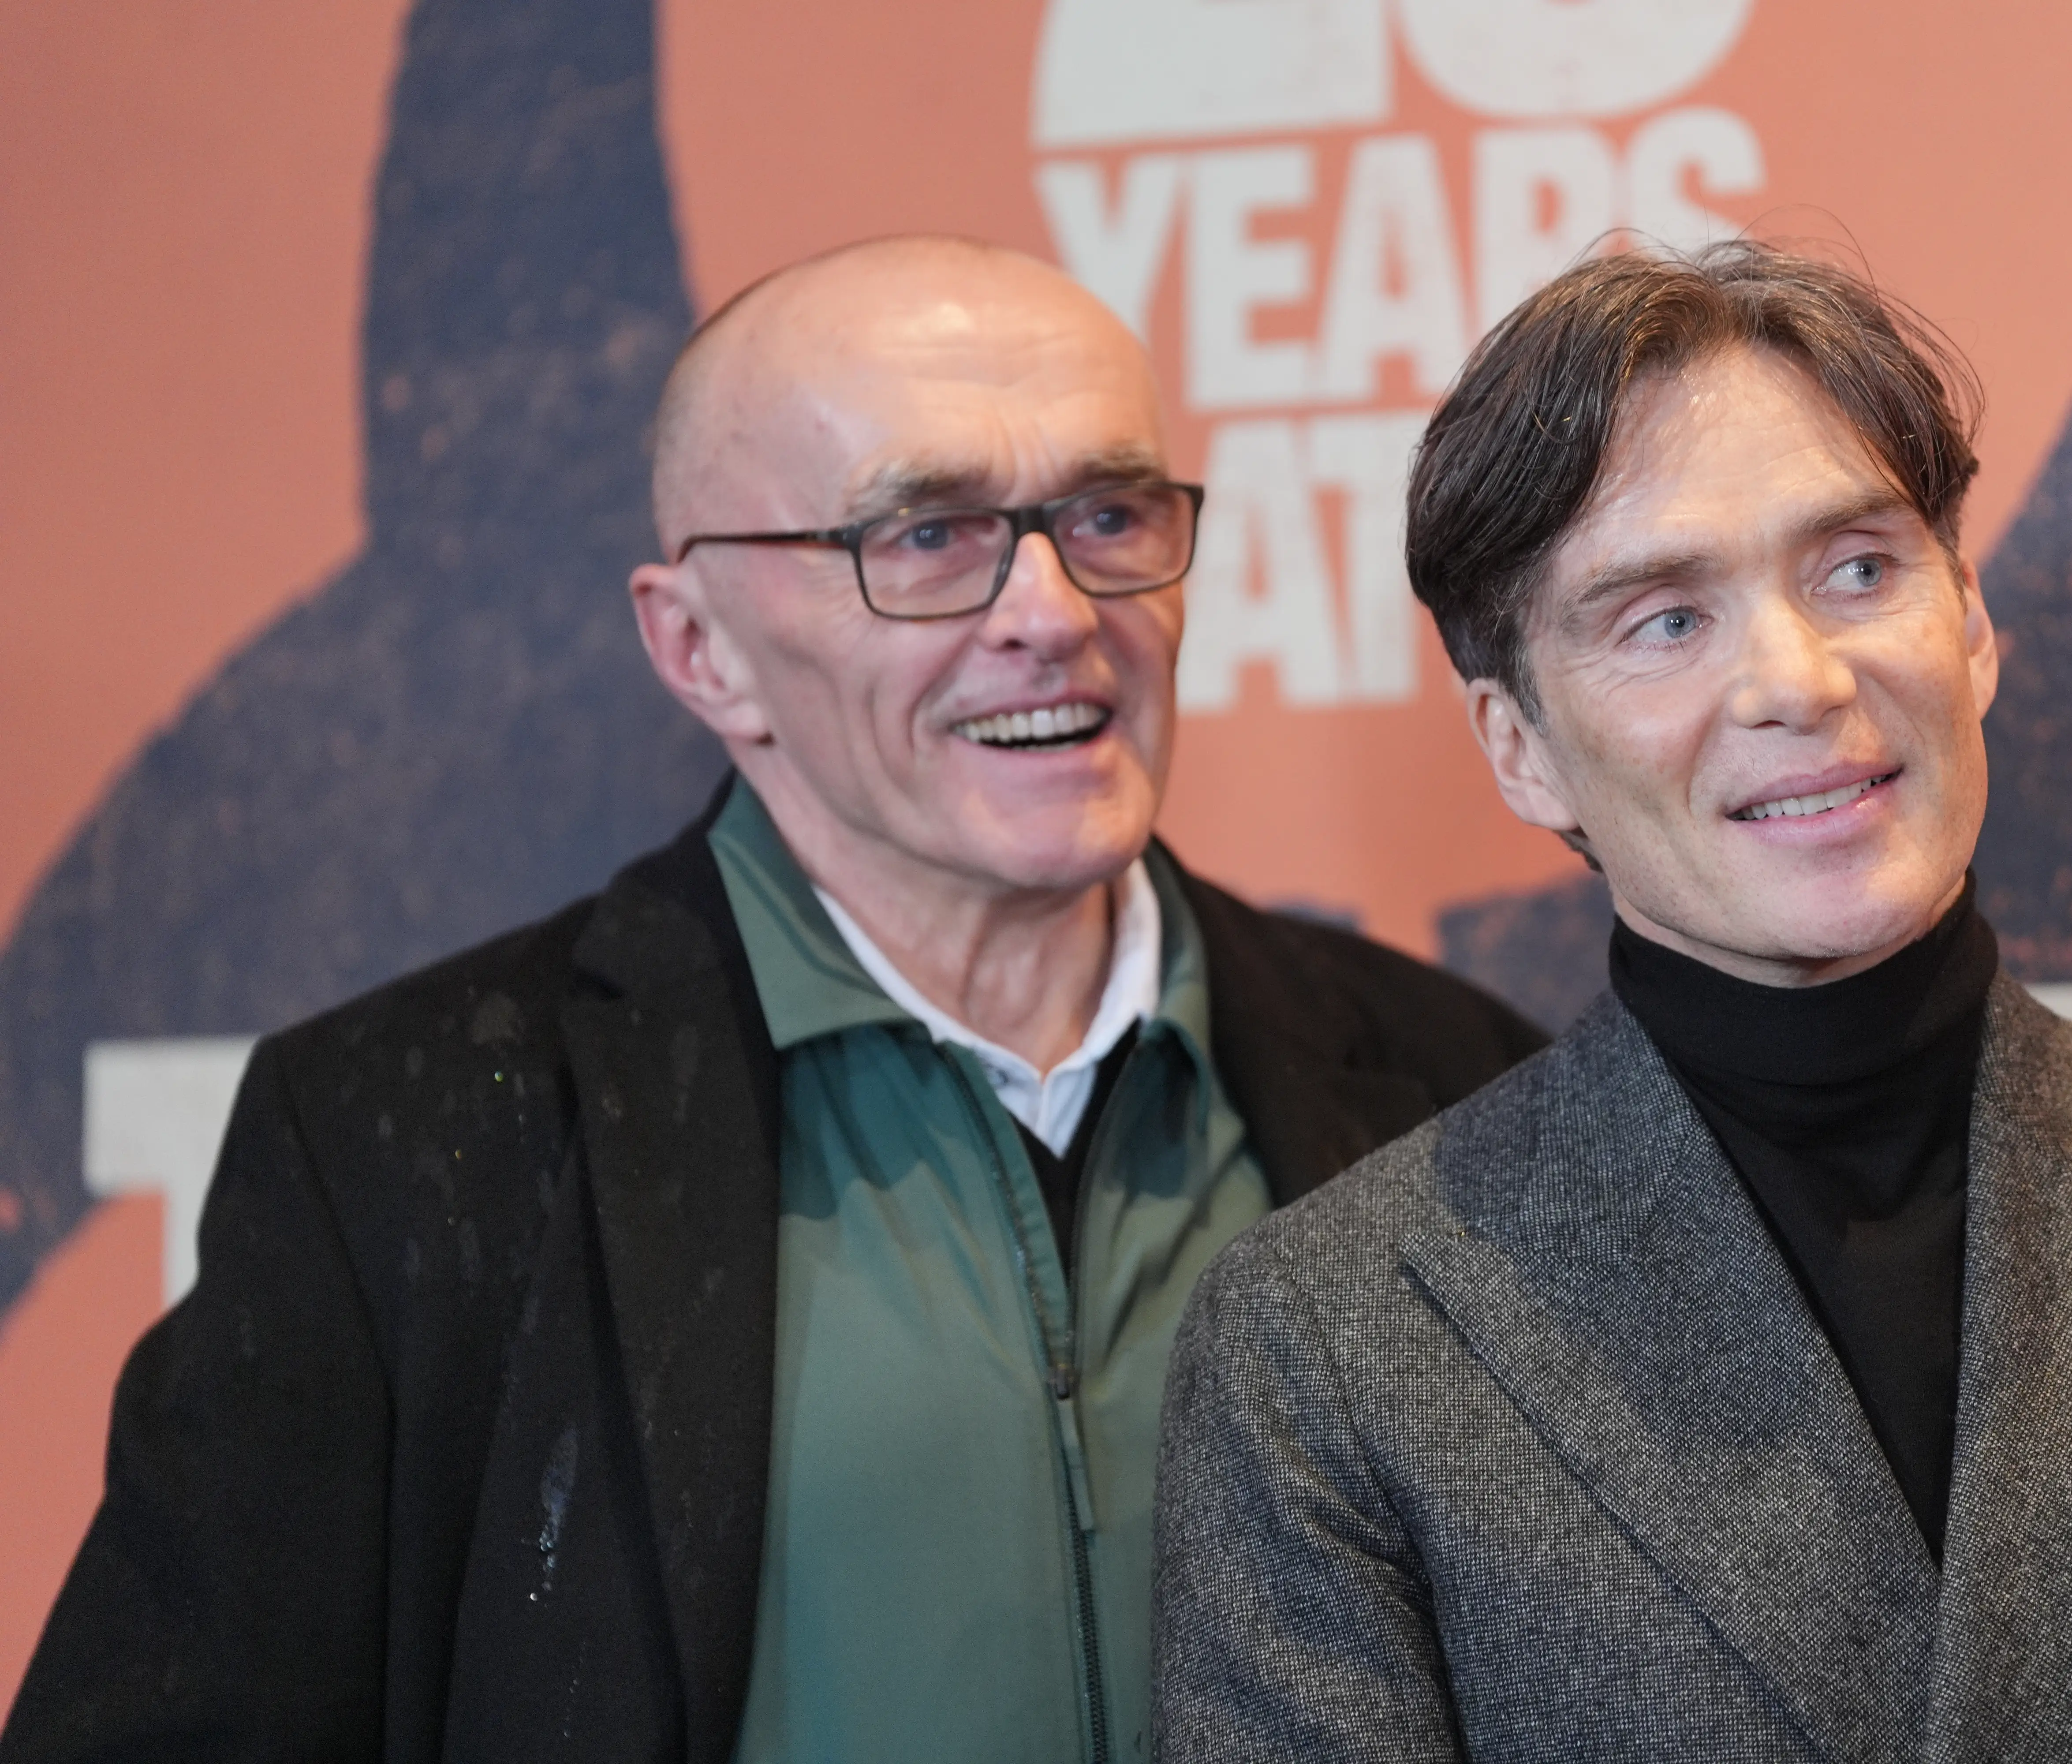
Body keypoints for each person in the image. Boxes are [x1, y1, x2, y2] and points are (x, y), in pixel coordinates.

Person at [1, 237, 1543, 1764]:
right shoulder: (407, 1150)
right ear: (699, 648)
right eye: (927, 536)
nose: (1053, 609)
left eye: (1108, 513)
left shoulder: (1459, 1086)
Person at [1150, 241, 2072, 1762]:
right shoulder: (1328, 1349)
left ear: (1970, 624)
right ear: (1517, 746)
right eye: (1664, 619)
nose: (1799, 678)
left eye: (1858, 570)